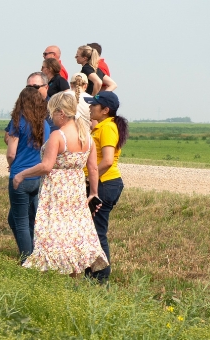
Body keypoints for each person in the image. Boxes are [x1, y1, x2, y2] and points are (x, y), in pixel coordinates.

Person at [17, 92, 108, 276]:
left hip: (56, 190)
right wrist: (94, 193)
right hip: (76, 191)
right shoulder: (86, 137)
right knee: (73, 233)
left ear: (61, 113)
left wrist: (22, 174)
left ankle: (53, 274)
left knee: (53, 232)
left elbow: (46, 166)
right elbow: (93, 169)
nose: (51, 118)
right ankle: (73, 275)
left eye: (52, 113)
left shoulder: (59, 136)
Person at [5, 86, 52, 262]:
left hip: (20, 175)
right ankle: (34, 252)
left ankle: (28, 259)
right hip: (37, 175)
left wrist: (11, 165)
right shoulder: (45, 124)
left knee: (21, 222)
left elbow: (11, 152)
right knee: (19, 218)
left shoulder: (18, 122)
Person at [84, 91, 126, 284]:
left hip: (104, 183)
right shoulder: (102, 126)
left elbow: (108, 160)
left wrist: (90, 179)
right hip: (103, 182)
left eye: (94, 105)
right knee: (90, 230)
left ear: (105, 110)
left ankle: (101, 278)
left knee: (97, 231)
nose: (91, 107)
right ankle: (91, 271)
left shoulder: (108, 128)